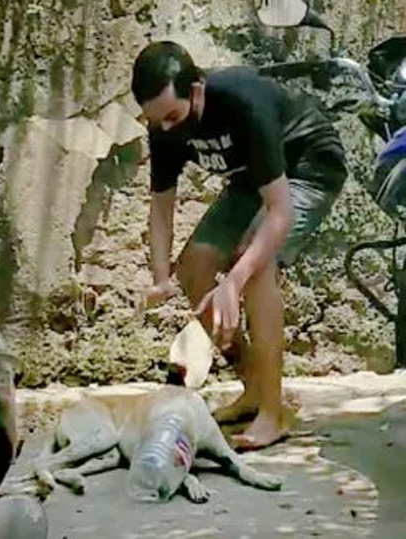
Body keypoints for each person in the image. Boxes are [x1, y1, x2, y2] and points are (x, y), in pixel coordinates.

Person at [130, 41, 348, 450]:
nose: (165, 129)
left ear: (196, 90)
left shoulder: (243, 103)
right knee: (193, 267)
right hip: (253, 178)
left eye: (173, 117)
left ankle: (273, 411)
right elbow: (161, 208)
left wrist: (234, 279)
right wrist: (160, 278)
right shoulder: (164, 126)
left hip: (308, 165)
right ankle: (253, 388)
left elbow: (279, 212)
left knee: (257, 266)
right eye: (155, 121)